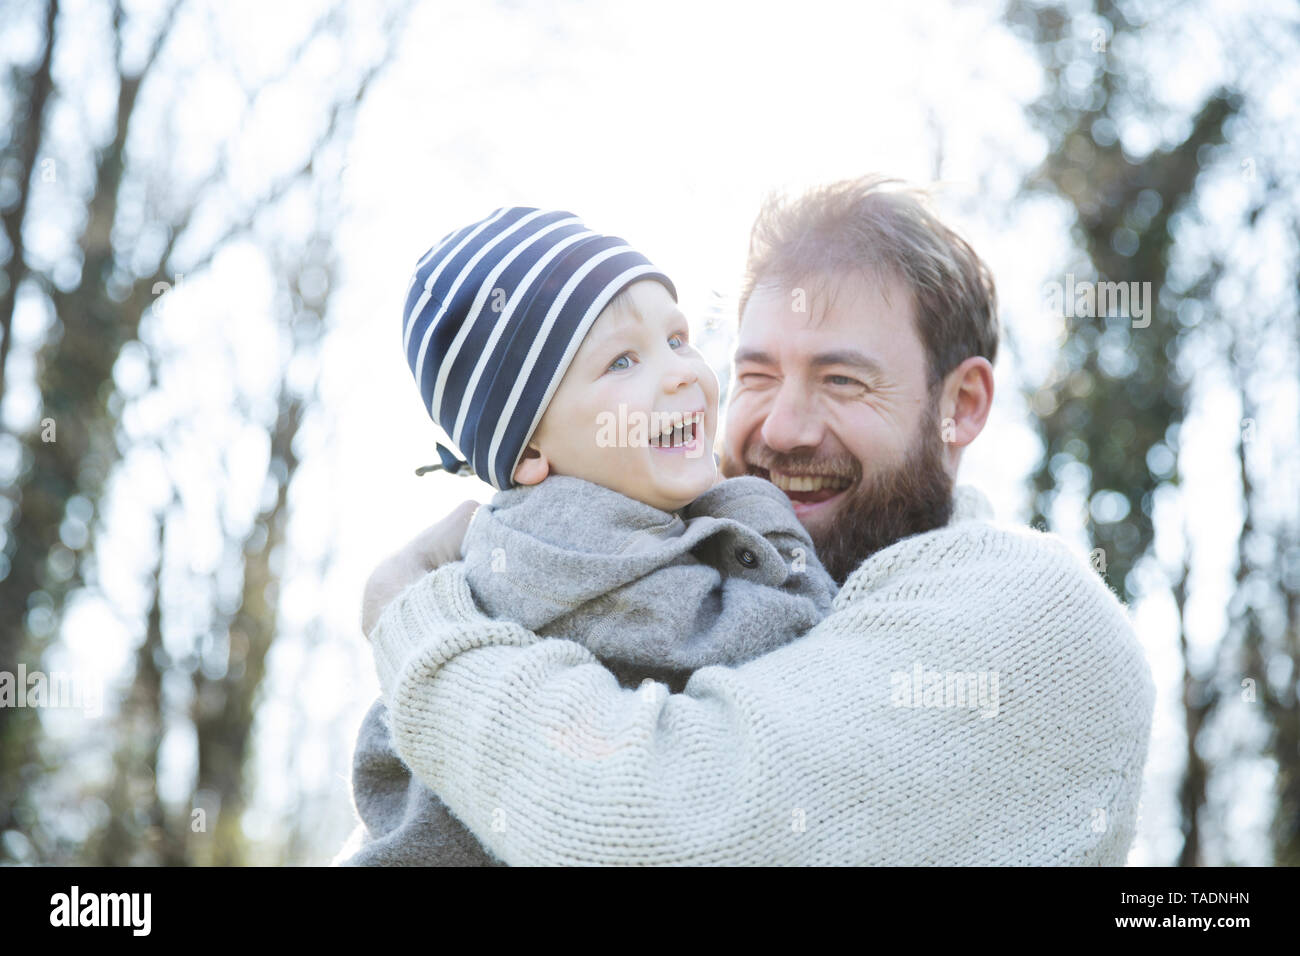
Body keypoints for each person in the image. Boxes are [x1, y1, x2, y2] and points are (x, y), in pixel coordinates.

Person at [348, 176, 1156, 865]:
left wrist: (413, 621)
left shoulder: (1037, 617)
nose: (782, 430)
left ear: (962, 406)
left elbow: (664, 822)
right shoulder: (677, 554)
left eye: (842, 381)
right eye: (756, 375)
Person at [338, 208, 836, 865]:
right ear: (528, 454)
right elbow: (770, 652)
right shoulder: (566, 543)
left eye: (679, 339)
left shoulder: (617, 526)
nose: (681, 372)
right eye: (624, 360)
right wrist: (757, 510)